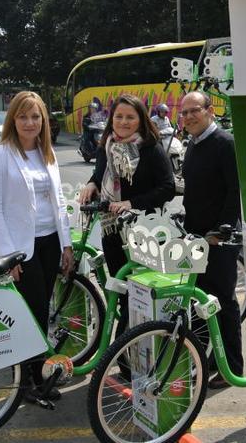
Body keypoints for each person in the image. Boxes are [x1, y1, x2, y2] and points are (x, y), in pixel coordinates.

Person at [0, 91, 74, 401]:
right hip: (20, 248)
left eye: (35, 117)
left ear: (44, 120)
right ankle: (24, 384)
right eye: (23, 116)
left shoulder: (48, 153)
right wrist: (8, 255)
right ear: (13, 120)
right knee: (29, 313)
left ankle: (36, 376)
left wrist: (66, 244)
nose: (29, 122)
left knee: (42, 310)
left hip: (49, 243)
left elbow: (58, 201)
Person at [78, 93, 175, 342]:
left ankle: (136, 351)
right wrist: (91, 184)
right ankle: (127, 355)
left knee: (141, 295)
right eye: (119, 116)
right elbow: (99, 174)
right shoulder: (107, 146)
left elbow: (167, 188)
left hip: (144, 232)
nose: (123, 121)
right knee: (121, 293)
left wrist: (131, 203)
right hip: (113, 230)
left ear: (140, 120)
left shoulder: (151, 148)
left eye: (130, 117)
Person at [179, 90, 243, 389]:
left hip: (219, 239)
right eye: (185, 112)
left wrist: (222, 230)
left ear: (210, 111)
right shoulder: (192, 145)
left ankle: (230, 366)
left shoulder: (224, 143)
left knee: (223, 302)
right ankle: (205, 360)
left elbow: (236, 191)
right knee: (201, 304)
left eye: (195, 110)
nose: (189, 116)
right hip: (196, 237)